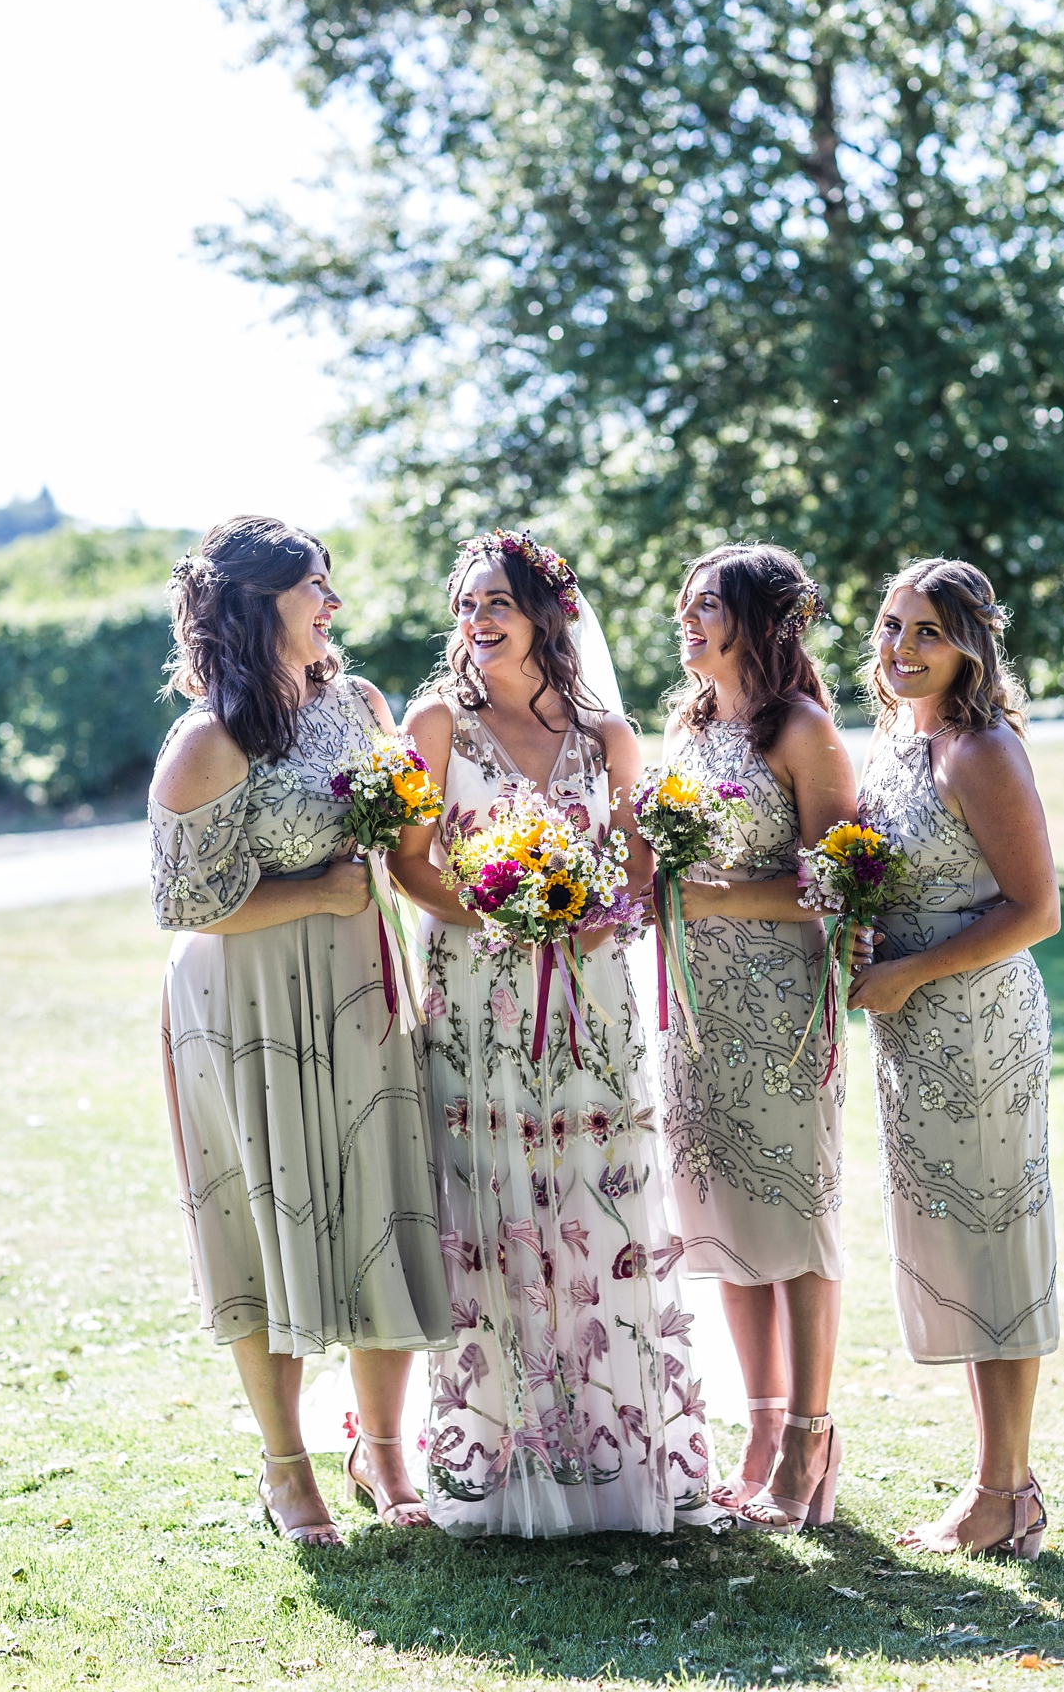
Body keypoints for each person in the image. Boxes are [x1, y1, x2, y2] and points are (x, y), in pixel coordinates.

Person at [392, 529, 712, 1537]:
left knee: (591, 1201)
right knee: (488, 1201)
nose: (476, 622)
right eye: (466, 606)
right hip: (478, 992)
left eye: (495, 603)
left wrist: (589, 907)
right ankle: (489, 1454)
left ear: (545, 615)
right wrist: (502, 912)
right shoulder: (437, 722)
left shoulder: (607, 737)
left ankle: (608, 1452)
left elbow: (636, 869)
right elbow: (407, 864)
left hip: (590, 996)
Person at [149, 516, 453, 1546]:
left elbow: (406, 840)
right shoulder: (209, 740)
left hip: (362, 982)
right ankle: (287, 1469)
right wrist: (318, 894)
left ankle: (384, 1448)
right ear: (254, 603)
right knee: (265, 1220)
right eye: (315, 586)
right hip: (242, 1000)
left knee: (380, 1190)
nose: (333, 603)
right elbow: (184, 902)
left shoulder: (359, 703)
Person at [658, 543, 872, 1534]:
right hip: (698, 1011)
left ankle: (810, 1437)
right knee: (728, 1224)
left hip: (784, 1013)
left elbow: (841, 885)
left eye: (707, 605)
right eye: (686, 605)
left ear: (756, 618)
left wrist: (713, 896)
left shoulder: (803, 732)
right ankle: (757, 1428)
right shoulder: (693, 726)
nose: (686, 620)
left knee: (794, 1219)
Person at [848, 556, 1059, 1559]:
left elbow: (1038, 911)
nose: (902, 649)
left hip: (977, 1024)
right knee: (957, 1247)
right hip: (912, 1025)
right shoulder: (897, 743)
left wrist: (913, 969)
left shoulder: (979, 750)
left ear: (971, 642)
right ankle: (998, 1485)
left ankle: (1003, 1495)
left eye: (927, 630)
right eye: (892, 626)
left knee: (993, 1242)